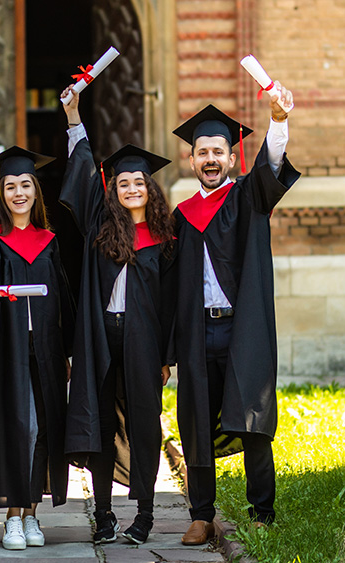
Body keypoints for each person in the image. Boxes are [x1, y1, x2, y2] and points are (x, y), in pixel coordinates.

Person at [168, 86, 300, 545]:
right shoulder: (181, 216)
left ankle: (262, 510)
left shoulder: (248, 198)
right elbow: (168, 288)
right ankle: (201, 514)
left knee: (253, 419)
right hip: (198, 333)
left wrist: (278, 121)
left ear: (231, 156)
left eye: (217, 152)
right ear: (191, 160)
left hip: (242, 330)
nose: (209, 159)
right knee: (196, 423)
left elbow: (272, 168)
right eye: (202, 152)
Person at [59, 86, 176, 545]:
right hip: (102, 335)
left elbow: (171, 304)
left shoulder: (167, 238)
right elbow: (85, 169)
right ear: (114, 189)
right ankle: (104, 513)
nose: (131, 188)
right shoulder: (101, 228)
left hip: (145, 341)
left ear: (150, 187)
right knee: (101, 422)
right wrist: (73, 116)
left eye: (138, 182)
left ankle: (144, 513)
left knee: (146, 423)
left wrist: (167, 355)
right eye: (123, 182)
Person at [0, 146, 75, 550]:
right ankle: (13, 515)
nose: (18, 193)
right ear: (1, 193)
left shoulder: (48, 240)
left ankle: (32, 513)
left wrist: (65, 352)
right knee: (21, 426)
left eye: (25, 185)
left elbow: (62, 298)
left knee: (44, 428)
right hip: (9, 350)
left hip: (45, 349)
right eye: (10, 186)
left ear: (35, 191)